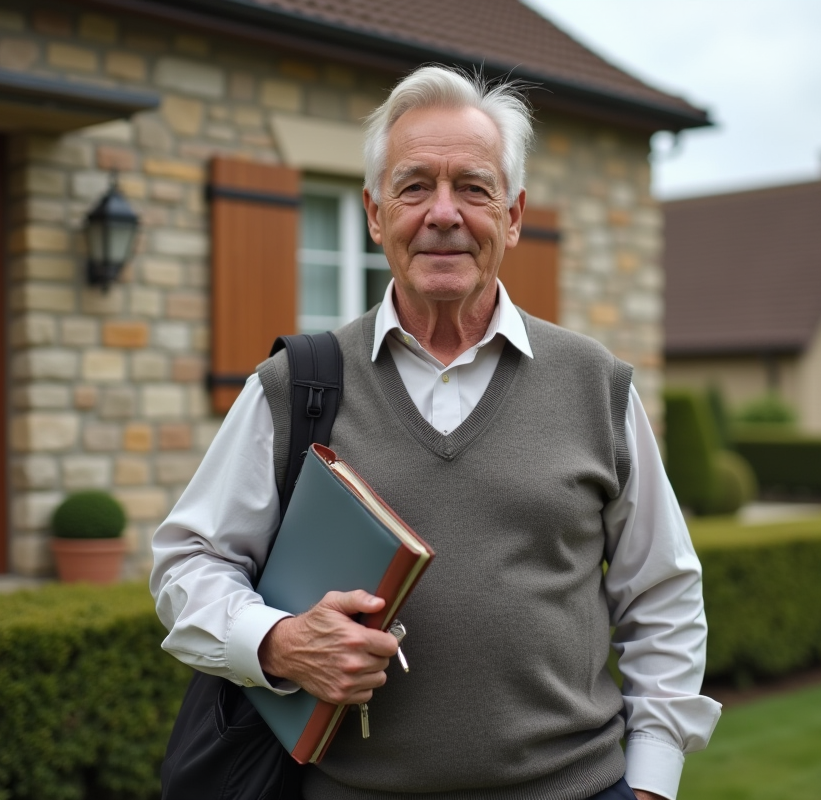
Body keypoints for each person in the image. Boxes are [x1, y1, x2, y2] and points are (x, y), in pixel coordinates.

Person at [151, 65, 721, 800]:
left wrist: (650, 782)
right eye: (415, 186)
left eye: (473, 188)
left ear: (512, 216)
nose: (443, 213)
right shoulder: (298, 385)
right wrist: (278, 642)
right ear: (374, 213)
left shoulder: (595, 384)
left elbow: (664, 596)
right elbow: (185, 563)